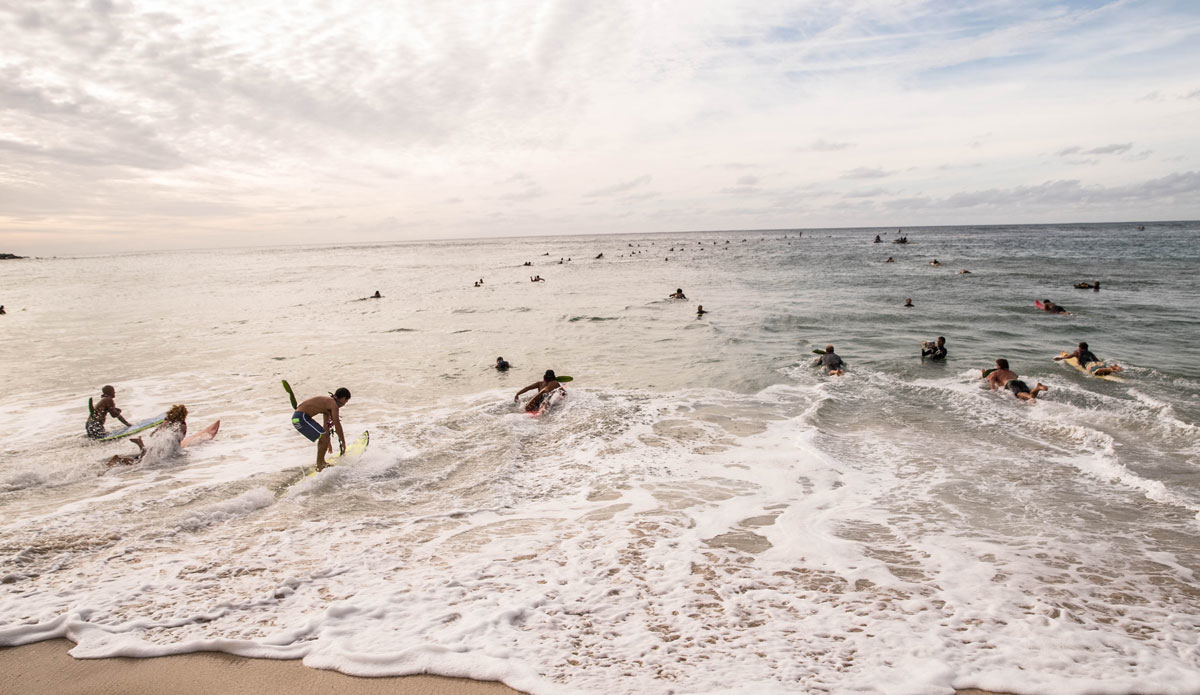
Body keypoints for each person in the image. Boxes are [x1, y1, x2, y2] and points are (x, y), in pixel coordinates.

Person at [107, 405, 188, 466]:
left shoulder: (166, 421)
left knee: (142, 458)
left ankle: (140, 444)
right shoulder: (182, 425)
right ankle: (118, 459)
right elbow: (178, 439)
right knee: (139, 463)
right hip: (165, 448)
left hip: (158, 444)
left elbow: (153, 434)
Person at [292, 388, 350, 471]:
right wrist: (343, 443)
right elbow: (337, 425)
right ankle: (320, 465)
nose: (344, 404)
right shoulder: (333, 404)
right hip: (300, 418)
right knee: (324, 437)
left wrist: (327, 442)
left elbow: (326, 426)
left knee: (324, 437)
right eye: (346, 401)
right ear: (343, 398)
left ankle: (321, 462)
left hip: (298, 419)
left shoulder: (328, 404)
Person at [984, 359, 1048, 401]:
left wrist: (993, 391)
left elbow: (992, 382)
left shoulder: (996, 372)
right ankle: (1037, 388)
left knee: (1018, 393)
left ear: (999, 366)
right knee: (1029, 394)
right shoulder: (1012, 372)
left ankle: (1030, 397)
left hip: (1010, 383)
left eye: (996, 365)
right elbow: (1015, 377)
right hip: (1020, 382)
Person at [1055, 342, 1123, 376]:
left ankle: (1110, 369)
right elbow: (1097, 360)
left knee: (1096, 372)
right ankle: (1113, 367)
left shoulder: (1077, 353)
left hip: (1090, 365)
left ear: (1080, 348)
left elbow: (1068, 357)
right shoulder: (1090, 352)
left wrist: (1061, 358)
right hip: (1098, 363)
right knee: (1104, 370)